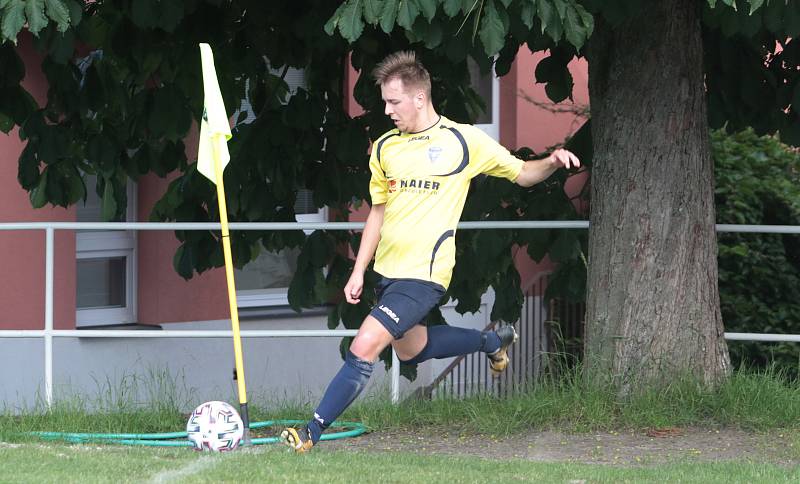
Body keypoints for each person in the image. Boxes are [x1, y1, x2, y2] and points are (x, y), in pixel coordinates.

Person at [281, 51, 580, 452]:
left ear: (420, 97)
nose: (387, 110)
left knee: (364, 343)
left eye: (394, 101)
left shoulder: (463, 140)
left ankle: (310, 433)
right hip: (388, 273)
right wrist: (358, 271)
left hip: (426, 274)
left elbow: (523, 173)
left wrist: (552, 160)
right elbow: (378, 213)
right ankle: (493, 342)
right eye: (385, 102)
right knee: (413, 349)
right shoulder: (386, 147)